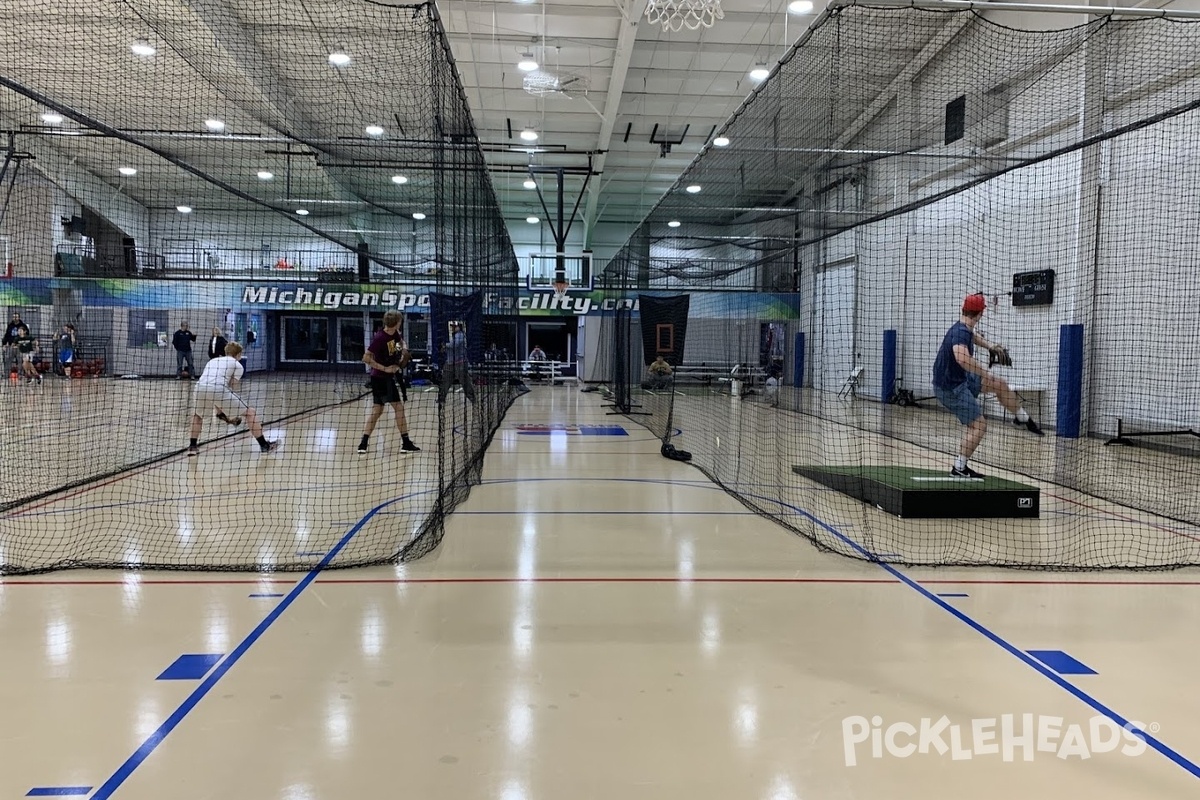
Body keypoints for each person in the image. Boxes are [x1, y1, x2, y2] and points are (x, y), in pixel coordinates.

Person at [932, 293, 1043, 479]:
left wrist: (990, 346)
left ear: (964, 309)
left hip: (960, 379)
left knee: (999, 384)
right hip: (951, 389)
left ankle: (1021, 418)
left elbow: (973, 337)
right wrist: (984, 373)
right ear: (980, 314)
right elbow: (961, 358)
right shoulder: (960, 333)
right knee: (979, 426)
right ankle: (959, 468)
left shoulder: (963, 328)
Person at [187, 342, 275, 456]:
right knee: (250, 412)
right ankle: (265, 446)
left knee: (198, 416)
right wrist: (223, 409)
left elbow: (211, 384)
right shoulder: (238, 365)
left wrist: (220, 410)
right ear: (238, 354)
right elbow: (229, 387)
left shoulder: (212, 361)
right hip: (218, 389)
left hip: (199, 388)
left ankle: (192, 447)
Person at [358, 310, 420, 455]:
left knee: (377, 411)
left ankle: (363, 443)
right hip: (380, 378)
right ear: (397, 322)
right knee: (399, 408)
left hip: (385, 378)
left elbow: (398, 345)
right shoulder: (380, 337)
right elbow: (366, 358)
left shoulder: (395, 334)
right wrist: (385, 368)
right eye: (400, 321)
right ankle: (405, 443)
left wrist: (402, 353)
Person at [438, 321, 475, 404]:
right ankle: (441, 398)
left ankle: (472, 397)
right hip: (450, 363)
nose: (453, 328)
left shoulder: (461, 335)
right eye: (452, 326)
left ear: (459, 327)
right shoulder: (452, 336)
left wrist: (445, 345)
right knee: (445, 381)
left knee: (465, 382)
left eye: (455, 326)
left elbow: (454, 345)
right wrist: (443, 347)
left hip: (460, 363)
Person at [3, 312, 25, 376]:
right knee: (8, 360)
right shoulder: (10, 325)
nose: (15, 318)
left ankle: (20, 375)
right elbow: (6, 335)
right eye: (14, 317)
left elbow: (26, 335)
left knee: (20, 361)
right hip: (11, 346)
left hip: (20, 346)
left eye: (16, 317)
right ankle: (6, 375)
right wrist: (4, 344)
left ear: (19, 317)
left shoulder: (23, 326)